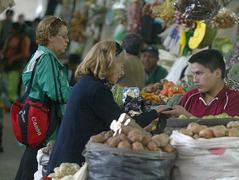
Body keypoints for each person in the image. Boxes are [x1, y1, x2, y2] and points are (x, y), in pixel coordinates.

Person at [47, 40, 169, 173]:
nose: (122, 71)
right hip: (70, 164)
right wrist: (155, 112)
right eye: (120, 64)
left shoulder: (88, 82)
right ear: (109, 63)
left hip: (67, 159)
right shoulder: (96, 90)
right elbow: (125, 123)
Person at [15, 16, 70, 180]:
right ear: (50, 36)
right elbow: (57, 93)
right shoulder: (48, 59)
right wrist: (78, 92)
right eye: (63, 35)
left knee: (29, 162)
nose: (67, 40)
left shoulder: (38, 55)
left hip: (34, 118)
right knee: (35, 165)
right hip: (45, 122)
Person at [163, 49, 239, 118]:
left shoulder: (235, 100)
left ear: (217, 73)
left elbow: (227, 132)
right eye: (193, 74)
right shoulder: (190, 97)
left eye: (199, 73)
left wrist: (187, 116)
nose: (194, 79)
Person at [1, 22, 30, 101]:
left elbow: (25, 54)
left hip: (17, 66)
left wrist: (13, 58)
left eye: (13, 30)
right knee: (5, 84)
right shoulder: (11, 37)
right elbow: (5, 48)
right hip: (7, 63)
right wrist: (3, 53)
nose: (12, 31)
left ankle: (12, 104)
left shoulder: (24, 38)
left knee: (12, 86)